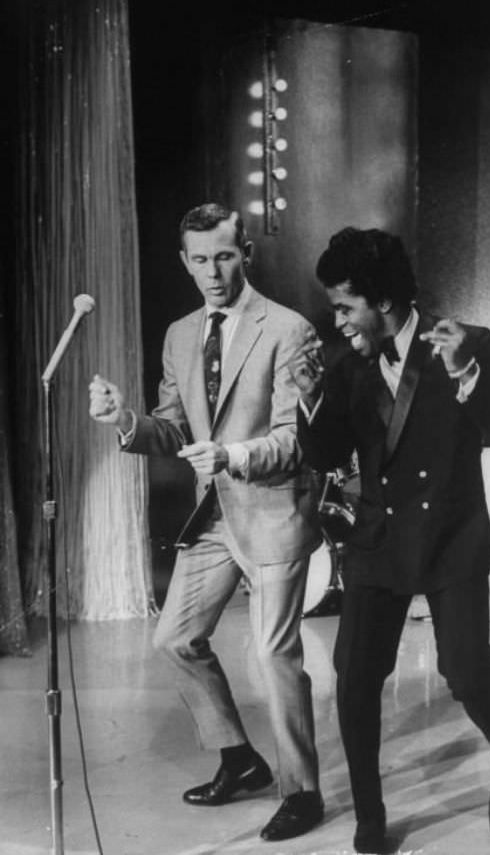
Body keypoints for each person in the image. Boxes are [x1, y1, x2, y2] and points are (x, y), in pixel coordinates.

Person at [288, 227, 490, 854]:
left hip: (452, 538)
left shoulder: (468, 343)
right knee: (354, 675)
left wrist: (468, 375)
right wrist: (311, 396)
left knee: (465, 668)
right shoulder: (346, 364)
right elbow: (325, 453)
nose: (336, 320)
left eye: (345, 306)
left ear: (385, 302)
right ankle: (370, 815)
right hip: (378, 538)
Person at [89, 203, 324, 843]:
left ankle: (302, 792)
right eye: (200, 260)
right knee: (174, 639)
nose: (213, 272)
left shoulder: (290, 329)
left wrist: (231, 455)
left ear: (245, 251)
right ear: (184, 262)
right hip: (214, 516)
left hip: (275, 509)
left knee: (274, 653)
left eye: (224, 256)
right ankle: (239, 760)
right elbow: (173, 429)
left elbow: (293, 441)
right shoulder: (179, 333)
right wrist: (123, 420)